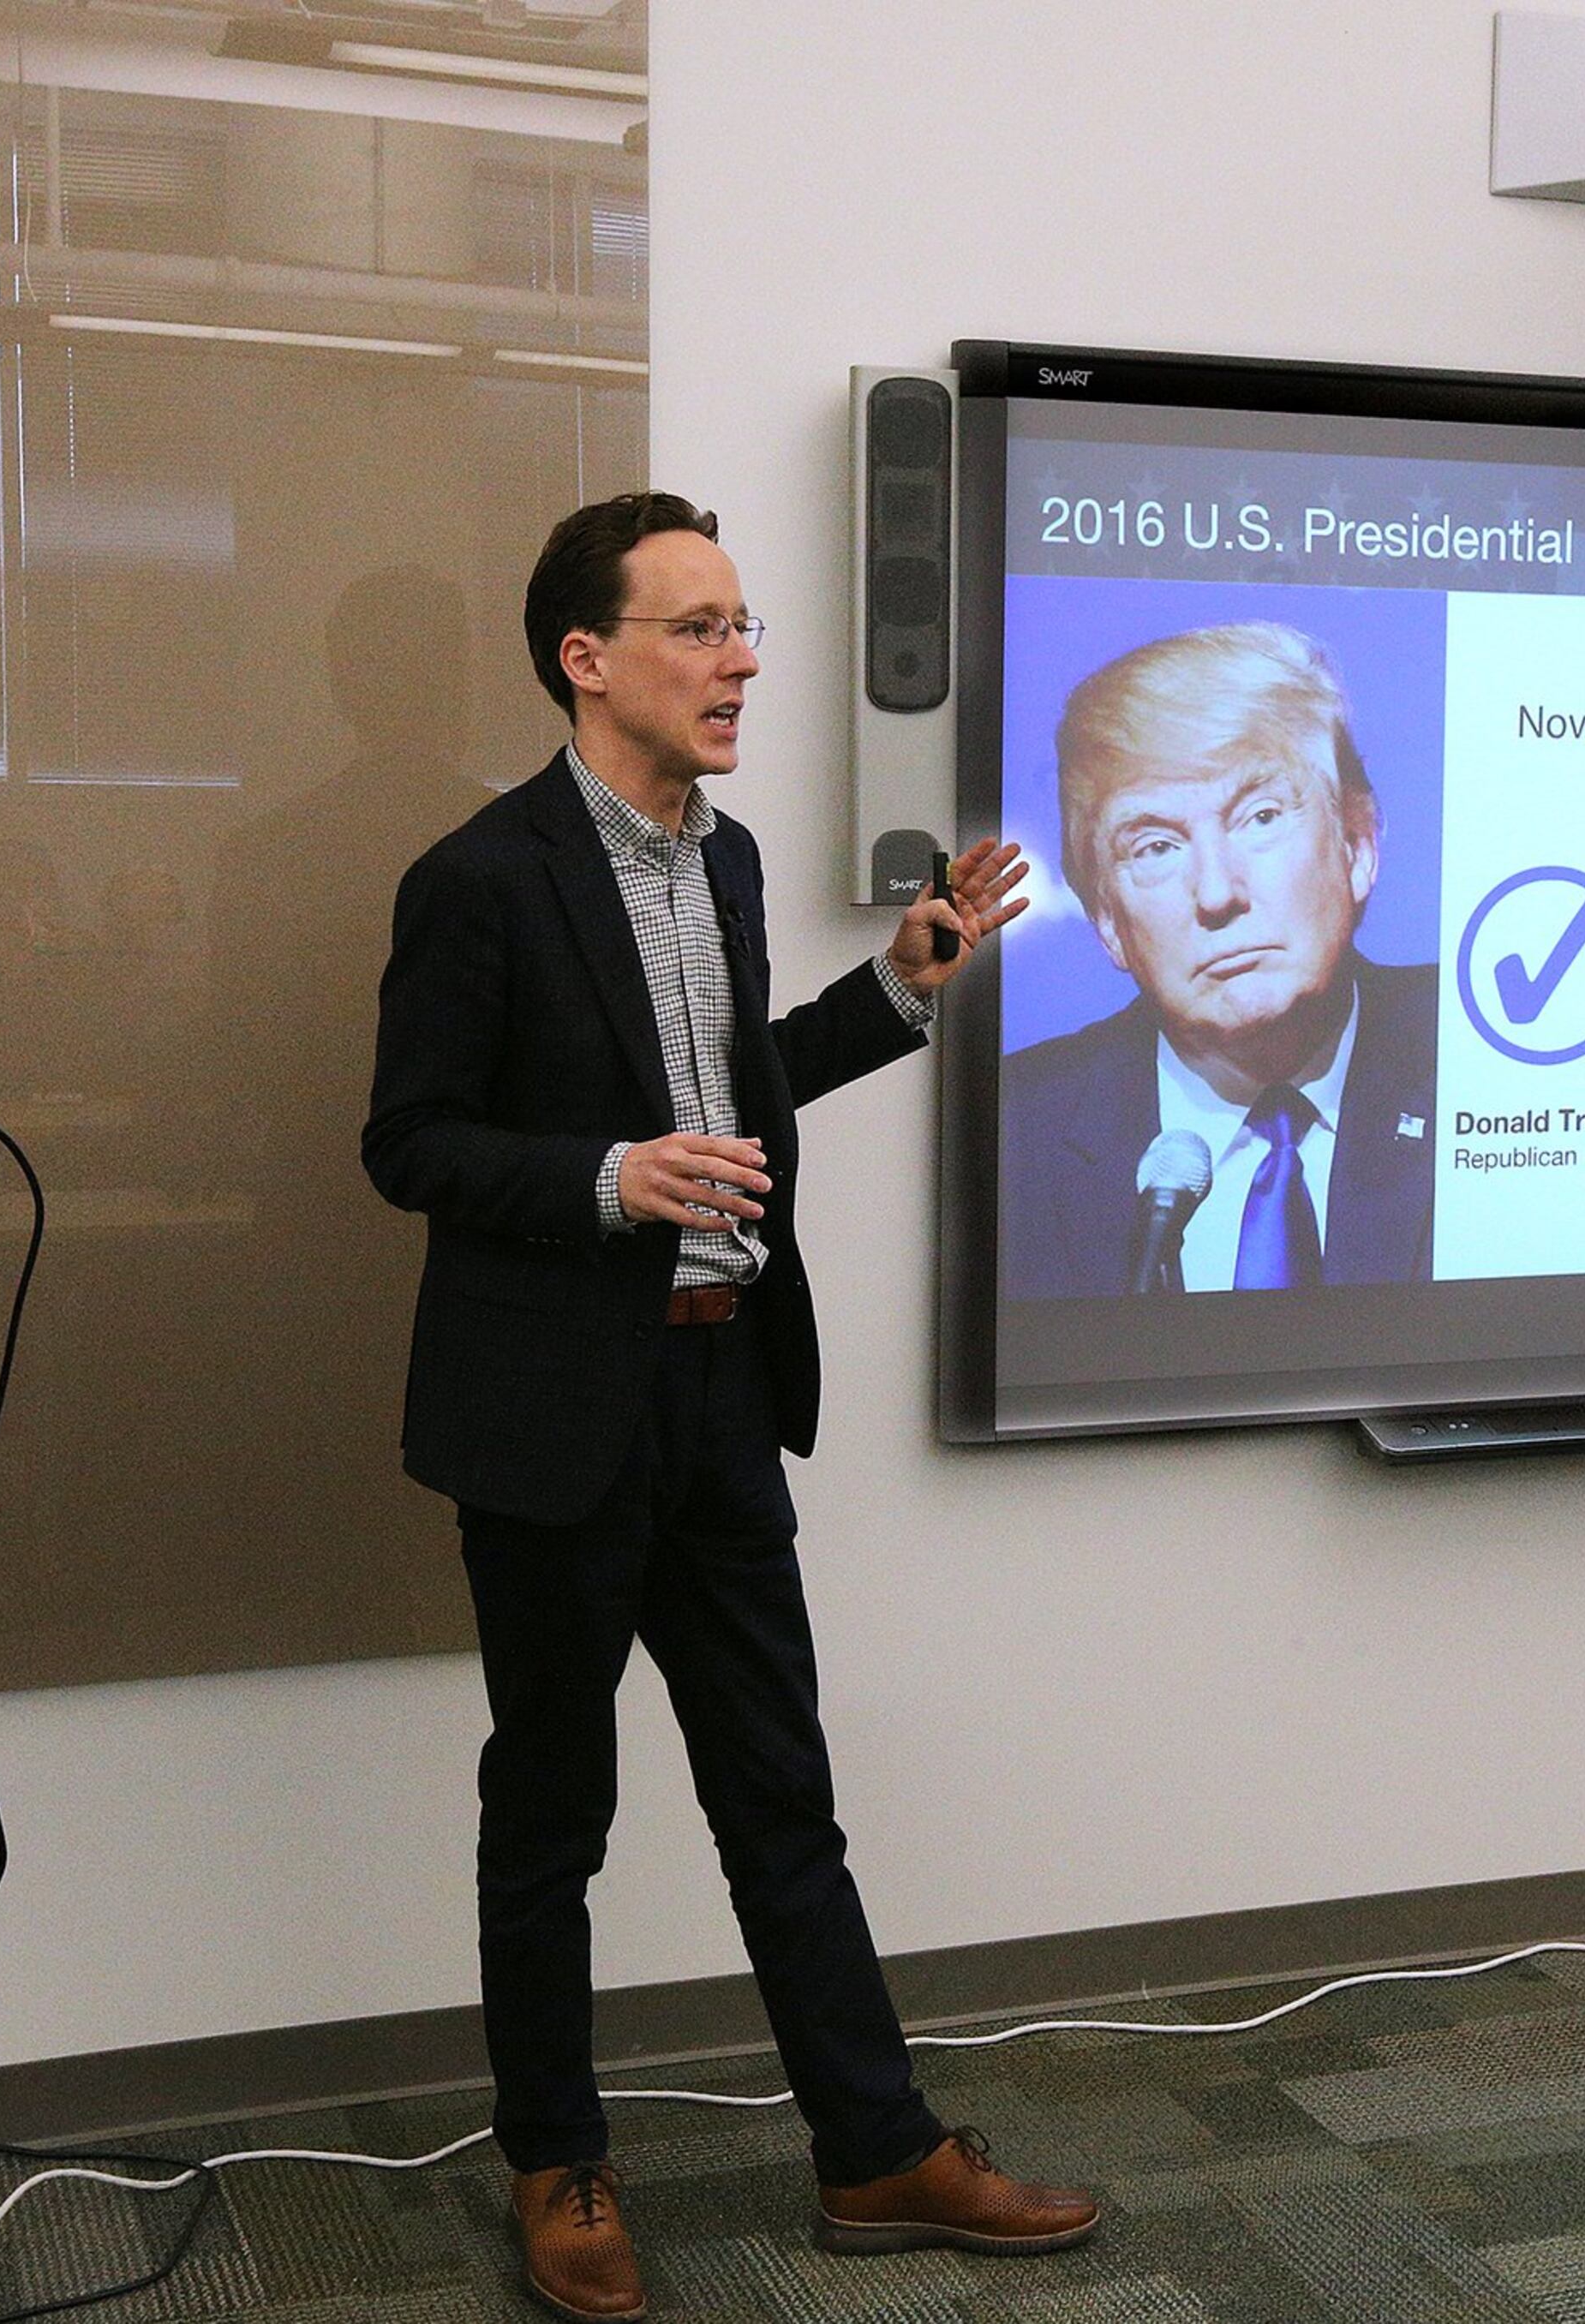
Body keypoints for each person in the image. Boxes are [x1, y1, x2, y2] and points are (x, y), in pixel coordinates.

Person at [364, 491, 1101, 2322]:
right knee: (556, 1811)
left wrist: (896, 993)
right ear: (586, 658)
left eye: (745, 624)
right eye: (698, 628)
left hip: (721, 1390)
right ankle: (561, 2164)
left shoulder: (734, 861)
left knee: (786, 1795)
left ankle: (876, 2148)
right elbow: (413, 1144)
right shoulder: (478, 879)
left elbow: (734, 1088)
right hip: (552, 1419)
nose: (744, 659)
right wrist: (614, 1181)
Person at [1001, 622, 1436, 1300]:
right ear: (1107, 921)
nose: (1216, 892)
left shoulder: (1489, 1067)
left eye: (1260, 816)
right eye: (1155, 847)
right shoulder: (1014, 1134)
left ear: (1357, 845)